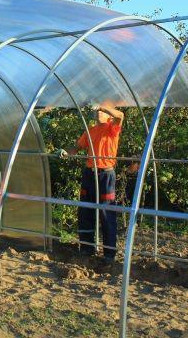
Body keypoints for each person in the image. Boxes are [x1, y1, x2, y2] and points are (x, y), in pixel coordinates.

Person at [61, 104, 124, 261]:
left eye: (101, 111)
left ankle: (109, 254)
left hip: (106, 175)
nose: (98, 113)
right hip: (89, 174)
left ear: (108, 115)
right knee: (85, 210)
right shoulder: (90, 131)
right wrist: (66, 152)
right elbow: (77, 147)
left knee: (106, 212)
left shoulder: (112, 128)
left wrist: (103, 105)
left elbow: (120, 115)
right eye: (97, 111)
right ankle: (86, 249)